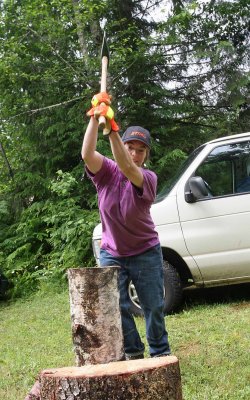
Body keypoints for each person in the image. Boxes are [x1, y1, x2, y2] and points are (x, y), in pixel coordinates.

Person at [81, 92, 171, 360]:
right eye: (130, 147)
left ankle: (160, 354)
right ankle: (133, 353)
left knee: (153, 306)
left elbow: (128, 168)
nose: (134, 153)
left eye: (140, 149)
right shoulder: (106, 172)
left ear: (146, 155)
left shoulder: (147, 177)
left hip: (145, 251)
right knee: (116, 306)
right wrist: (96, 118)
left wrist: (113, 130)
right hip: (112, 252)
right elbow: (87, 153)